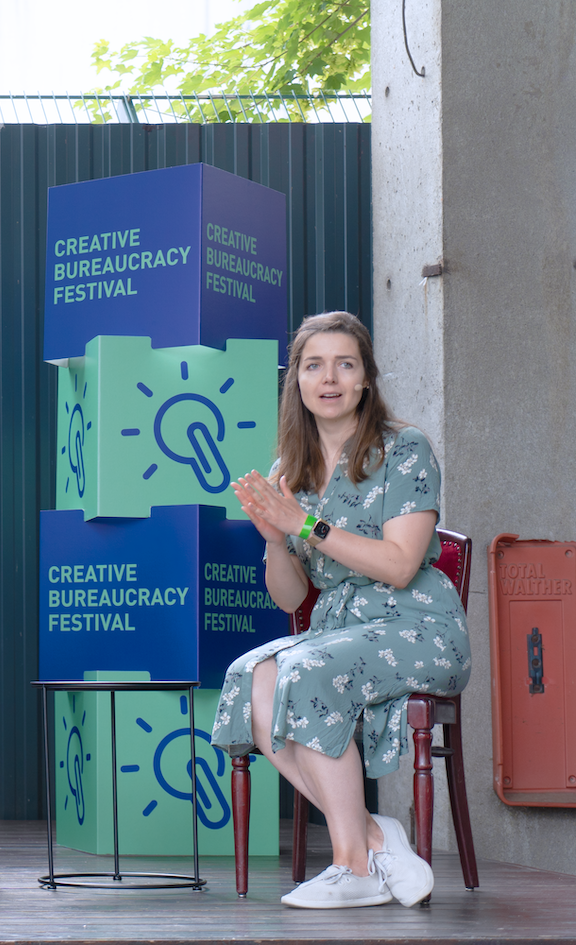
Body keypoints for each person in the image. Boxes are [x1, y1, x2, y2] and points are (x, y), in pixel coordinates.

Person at [215, 311, 471, 909]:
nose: (329, 378)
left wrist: (304, 523)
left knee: (300, 673)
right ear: (297, 382)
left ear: (365, 380)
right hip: (336, 632)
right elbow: (291, 596)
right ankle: (377, 837)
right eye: (314, 365)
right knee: (251, 678)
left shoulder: (404, 450)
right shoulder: (290, 472)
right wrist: (276, 540)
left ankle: (353, 864)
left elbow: (402, 564)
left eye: (344, 364)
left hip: (417, 626)